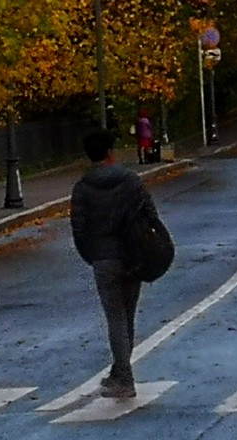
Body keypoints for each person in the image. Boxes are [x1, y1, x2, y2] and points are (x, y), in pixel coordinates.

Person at [70, 128, 155, 400]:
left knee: (115, 317)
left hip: (104, 259)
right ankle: (122, 373)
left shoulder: (82, 188)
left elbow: (79, 228)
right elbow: (149, 214)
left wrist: (92, 254)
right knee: (127, 316)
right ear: (110, 152)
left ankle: (123, 375)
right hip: (133, 255)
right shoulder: (130, 181)